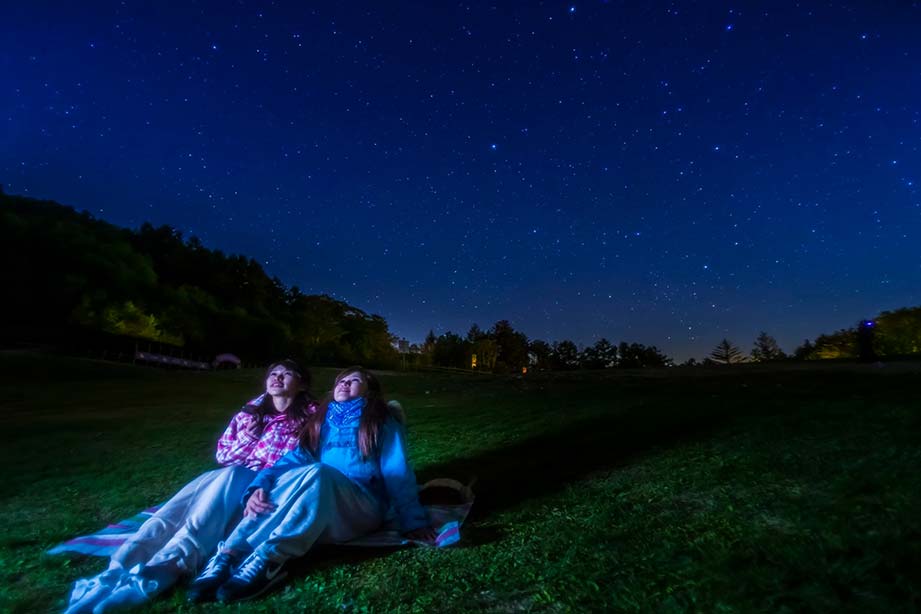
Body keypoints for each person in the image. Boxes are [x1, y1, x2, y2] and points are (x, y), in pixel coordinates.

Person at [64, 359, 317, 614]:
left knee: (208, 510)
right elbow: (224, 454)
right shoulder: (250, 412)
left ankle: (164, 568)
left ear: (302, 384)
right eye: (273, 373)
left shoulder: (312, 416)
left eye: (287, 374)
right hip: (232, 474)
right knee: (180, 509)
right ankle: (120, 567)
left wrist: (261, 479)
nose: (277, 378)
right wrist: (248, 437)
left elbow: (304, 459)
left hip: (270, 482)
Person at [187, 366, 436, 603]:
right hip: (325, 505)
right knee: (284, 479)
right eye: (341, 380)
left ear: (369, 391)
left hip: (362, 507)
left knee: (318, 472)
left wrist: (414, 521)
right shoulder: (323, 422)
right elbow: (289, 461)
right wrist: (258, 485)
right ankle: (229, 553)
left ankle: (270, 558)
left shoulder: (381, 421)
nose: (345, 383)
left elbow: (397, 472)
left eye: (354, 380)